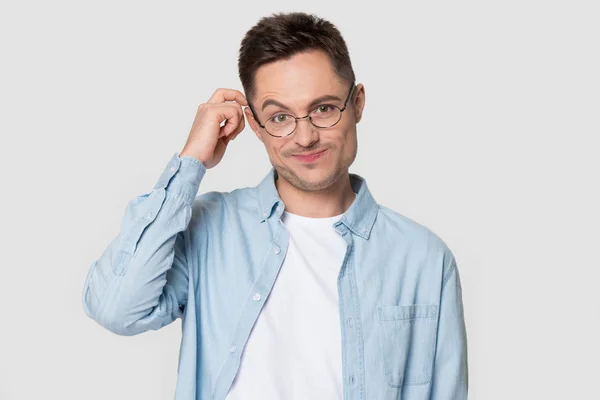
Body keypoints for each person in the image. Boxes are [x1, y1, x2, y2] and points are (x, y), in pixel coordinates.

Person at [82, 11, 468, 400]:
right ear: (255, 124)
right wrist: (190, 162)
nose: (305, 136)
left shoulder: (424, 260)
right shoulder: (209, 230)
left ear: (358, 103)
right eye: (279, 116)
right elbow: (116, 308)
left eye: (324, 108)